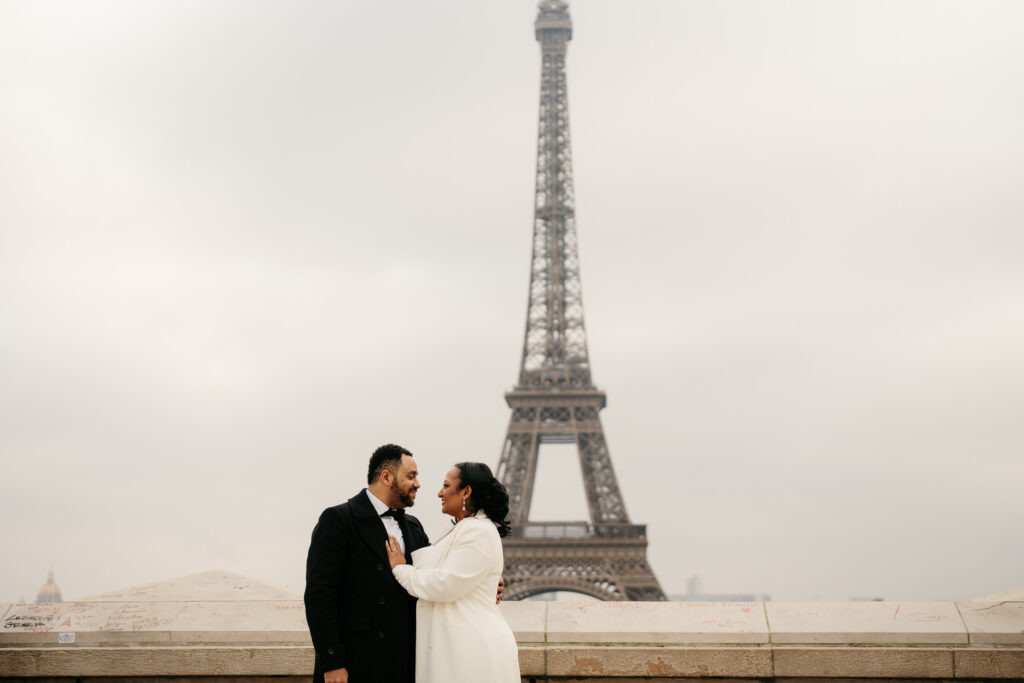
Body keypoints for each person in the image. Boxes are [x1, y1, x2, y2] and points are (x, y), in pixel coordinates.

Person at [304, 444, 430, 683]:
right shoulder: (339, 519)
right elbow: (320, 594)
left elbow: (435, 577)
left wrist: (484, 583)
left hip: (404, 663)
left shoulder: (414, 527)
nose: (418, 484)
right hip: (356, 663)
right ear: (386, 476)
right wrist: (332, 662)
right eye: (411, 476)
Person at [385, 461, 521, 683]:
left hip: (469, 652)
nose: (440, 492)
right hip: (460, 648)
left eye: (446, 486)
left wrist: (400, 569)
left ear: (466, 491)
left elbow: (444, 584)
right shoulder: (465, 529)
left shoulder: (477, 531)